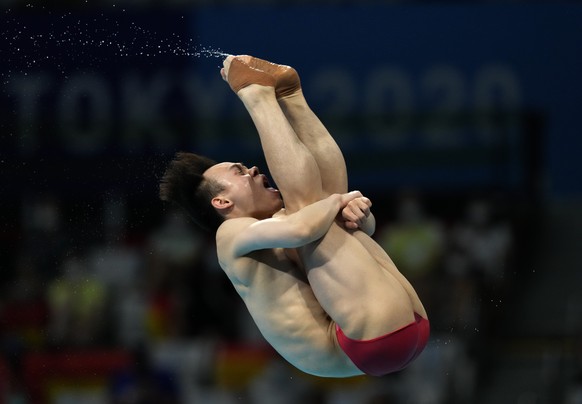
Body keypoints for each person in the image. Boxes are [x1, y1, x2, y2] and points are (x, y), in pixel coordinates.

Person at [159, 55, 429, 377]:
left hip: (394, 327)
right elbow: (303, 229)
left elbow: (359, 234)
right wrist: (343, 200)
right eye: (240, 172)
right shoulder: (229, 236)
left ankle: (290, 97)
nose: (253, 168)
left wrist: (358, 214)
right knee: (309, 207)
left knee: (317, 207)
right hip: (368, 338)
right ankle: (256, 96)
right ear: (222, 202)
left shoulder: (280, 223)